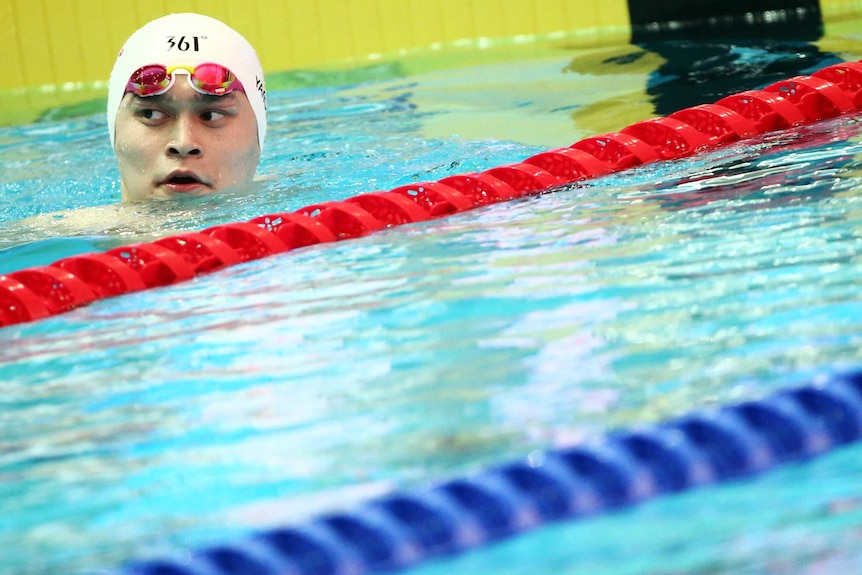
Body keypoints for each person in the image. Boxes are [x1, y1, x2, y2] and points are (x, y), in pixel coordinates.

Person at [107, 12, 268, 202]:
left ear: (260, 132)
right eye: (151, 114)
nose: (184, 144)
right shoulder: (73, 232)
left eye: (211, 115)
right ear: (114, 130)